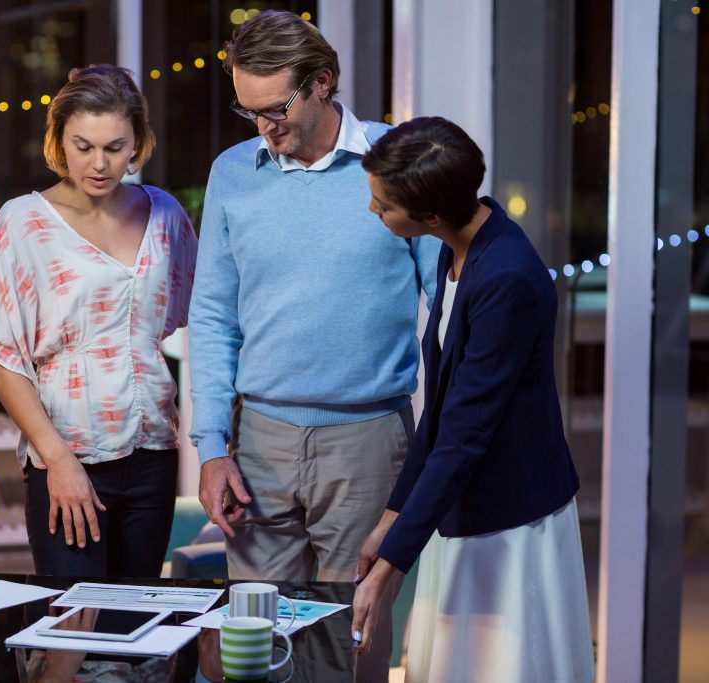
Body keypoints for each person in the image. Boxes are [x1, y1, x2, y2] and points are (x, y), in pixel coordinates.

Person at [187, 10, 439, 680]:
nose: (264, 128)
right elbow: (211, 316)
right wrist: (211, 448)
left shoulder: (395, 163)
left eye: (276, 108)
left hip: (369, 444)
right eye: (248, 111)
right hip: (258, 444)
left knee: (351, 646)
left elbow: (448, 308)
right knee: (254, 650)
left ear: (322, 81)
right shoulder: (232, 173)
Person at [352, 116, 595, 682]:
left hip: (508, 519)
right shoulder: (458, 247)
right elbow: (441, 406)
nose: (373, 210)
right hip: (461, 503)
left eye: (384, 206)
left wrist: (387, 570)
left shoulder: (507, 277)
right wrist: (392, 518)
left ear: (430, 217)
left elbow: (464, 433)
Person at [0, 64, 196, 577]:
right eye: (83, 146)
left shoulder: (165, 215)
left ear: (137, 142)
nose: (99, 163)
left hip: (154, 453)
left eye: (115, 147)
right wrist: (58, 460)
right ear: (58, 141)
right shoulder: (23, 223)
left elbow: (202, 317)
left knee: (136, 614)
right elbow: (2, 358)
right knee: (73, 616)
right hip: (67, 453)